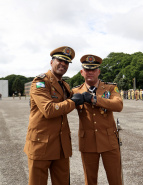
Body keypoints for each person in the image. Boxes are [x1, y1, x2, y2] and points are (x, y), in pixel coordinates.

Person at [24, 46, 82, 185]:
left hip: (61, 146)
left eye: (66, 62)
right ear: (51, 62)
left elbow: (71, 102)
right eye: (59, 60)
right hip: (41, 145)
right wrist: (73, 101)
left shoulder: (65, 85)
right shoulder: (40, 82)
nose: (63, 64)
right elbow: (49, 110)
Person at [72, 54, 123, 185]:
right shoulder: (75, 91)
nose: (90, 72)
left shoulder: (110, 88)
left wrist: (95, 99)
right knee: (90, 180)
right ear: (81, 72)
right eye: (87, 69)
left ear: (99, 71)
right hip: (87, 142)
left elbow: (118, 105)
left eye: (93, 69)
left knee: (115, 179)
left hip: (109, 141)